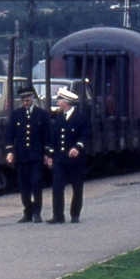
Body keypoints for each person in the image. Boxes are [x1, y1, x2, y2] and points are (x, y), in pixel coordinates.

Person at [5, 86, 51, 223]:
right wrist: (9, 152)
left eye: (28, 100)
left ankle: (37, 212)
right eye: (24, 100)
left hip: (36, 155)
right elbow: (10, 135)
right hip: (22, 156)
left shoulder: (42, 114)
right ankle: (28, 211)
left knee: (36, 182)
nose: (26, 102)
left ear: (32, 99)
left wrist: (47, 154)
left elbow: (48, 136)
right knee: (23, 184)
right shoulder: (16, 114)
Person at [46, 87, 91, 224]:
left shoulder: (80, 117)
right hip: (60, 159)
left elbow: (86, 134)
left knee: (77, 187)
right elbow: (54, 139)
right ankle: (58, 215)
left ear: (66, 102)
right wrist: (50, 155)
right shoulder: (59, 118)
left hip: (76, 160)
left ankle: (75, 213)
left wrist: (78, 147)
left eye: (59, 101)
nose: (57, 103)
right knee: (57, 186)